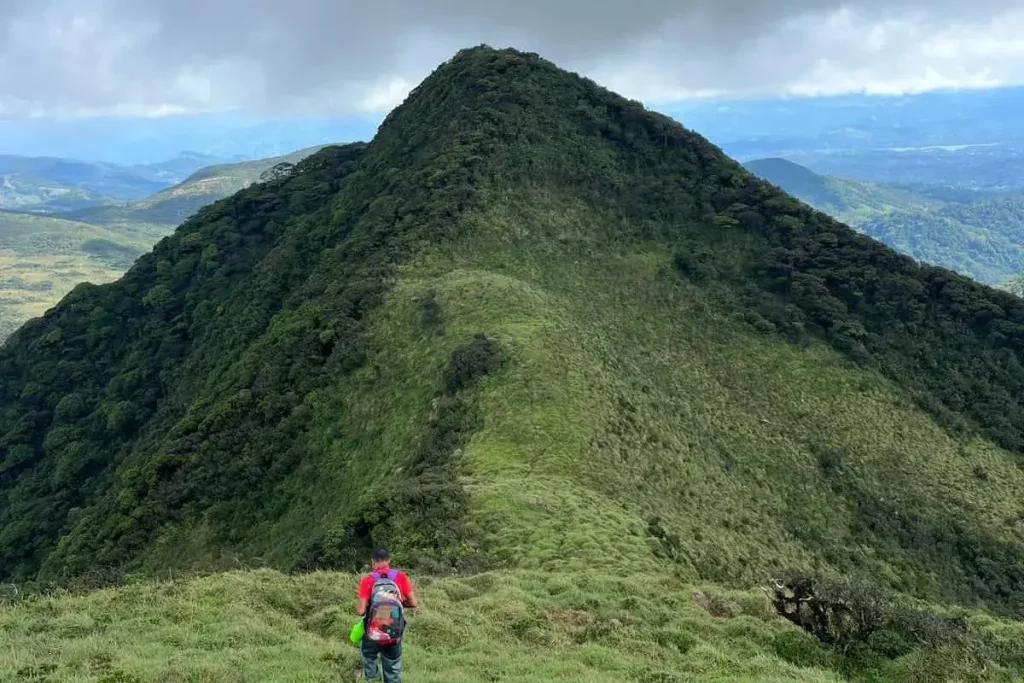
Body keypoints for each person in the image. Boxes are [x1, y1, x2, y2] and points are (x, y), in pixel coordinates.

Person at [356, 547, 418, 683]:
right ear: (389, 560)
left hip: (372, 631)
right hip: (394, 631)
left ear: (373, 561)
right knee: (393, 668)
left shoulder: (367, 580)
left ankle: (373, 680)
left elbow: (360, 611)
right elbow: (414, 603)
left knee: (369, 659)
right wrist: (399, 603)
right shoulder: (401, 576)